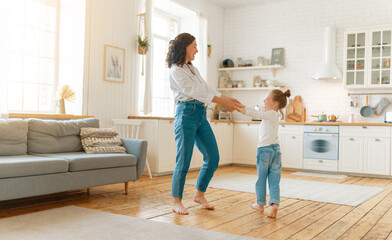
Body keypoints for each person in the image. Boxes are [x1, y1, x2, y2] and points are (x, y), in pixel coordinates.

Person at [166, 33, 244, 215]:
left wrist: (226, 97)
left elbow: (205, 89)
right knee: (183, 160)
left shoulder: (192, 68)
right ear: (184, 47)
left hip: (201, 113)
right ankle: (176, 201)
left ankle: (199, 194)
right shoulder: (176, 70)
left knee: (213, 157)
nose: (197, 50)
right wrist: (223, 102)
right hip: (186, 114)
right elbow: (194, 92)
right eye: (194, 46)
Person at [238, 89, 291, 218]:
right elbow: (258, 112)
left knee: (261, 179)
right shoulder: (274, 114)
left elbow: (257, 114)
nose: (264, 101)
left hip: (264, 150)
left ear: (275, 103)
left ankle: (260, 205)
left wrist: (241, 109)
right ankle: (274, 205)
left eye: (267, 98)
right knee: (274, 181)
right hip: (276, 151)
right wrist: (243, 107)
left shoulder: (271, 113)